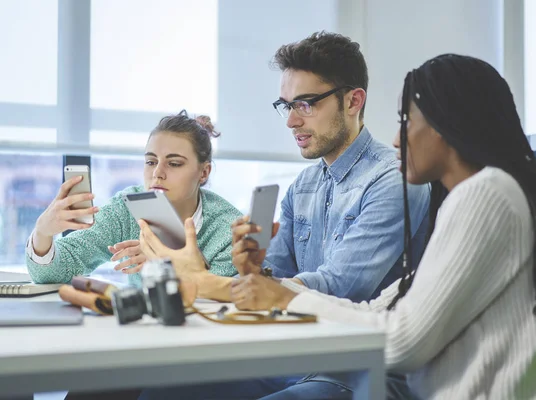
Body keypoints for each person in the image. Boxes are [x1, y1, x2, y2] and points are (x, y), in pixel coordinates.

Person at [224, 54, 536, 399]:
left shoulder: (488, 194)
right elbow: (378, 310)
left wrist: (286, 298)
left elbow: (402, 344)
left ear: (445, 125)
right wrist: (275, 289)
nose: (394, 137)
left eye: (406, 121)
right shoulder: (487, 196)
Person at [138, 32, 429, 400]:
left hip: (359, 373)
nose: (291, 121)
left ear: (353, 101)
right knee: (159, 393)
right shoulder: (302, 187)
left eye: (305, 104)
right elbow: (273, 283)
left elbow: (342, 287)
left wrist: (207, 283)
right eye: (285, 105)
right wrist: (253, 268)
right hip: (293, 360)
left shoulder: (395, 180)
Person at [26, 110, 242, 301]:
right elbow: (51, 274)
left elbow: (227, 296)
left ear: (203, 172)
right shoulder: (127, 208)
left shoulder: (229, 227)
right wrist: (43, 232)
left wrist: (166, 265)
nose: (158, 173)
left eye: (174, 163)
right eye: (151, 162)